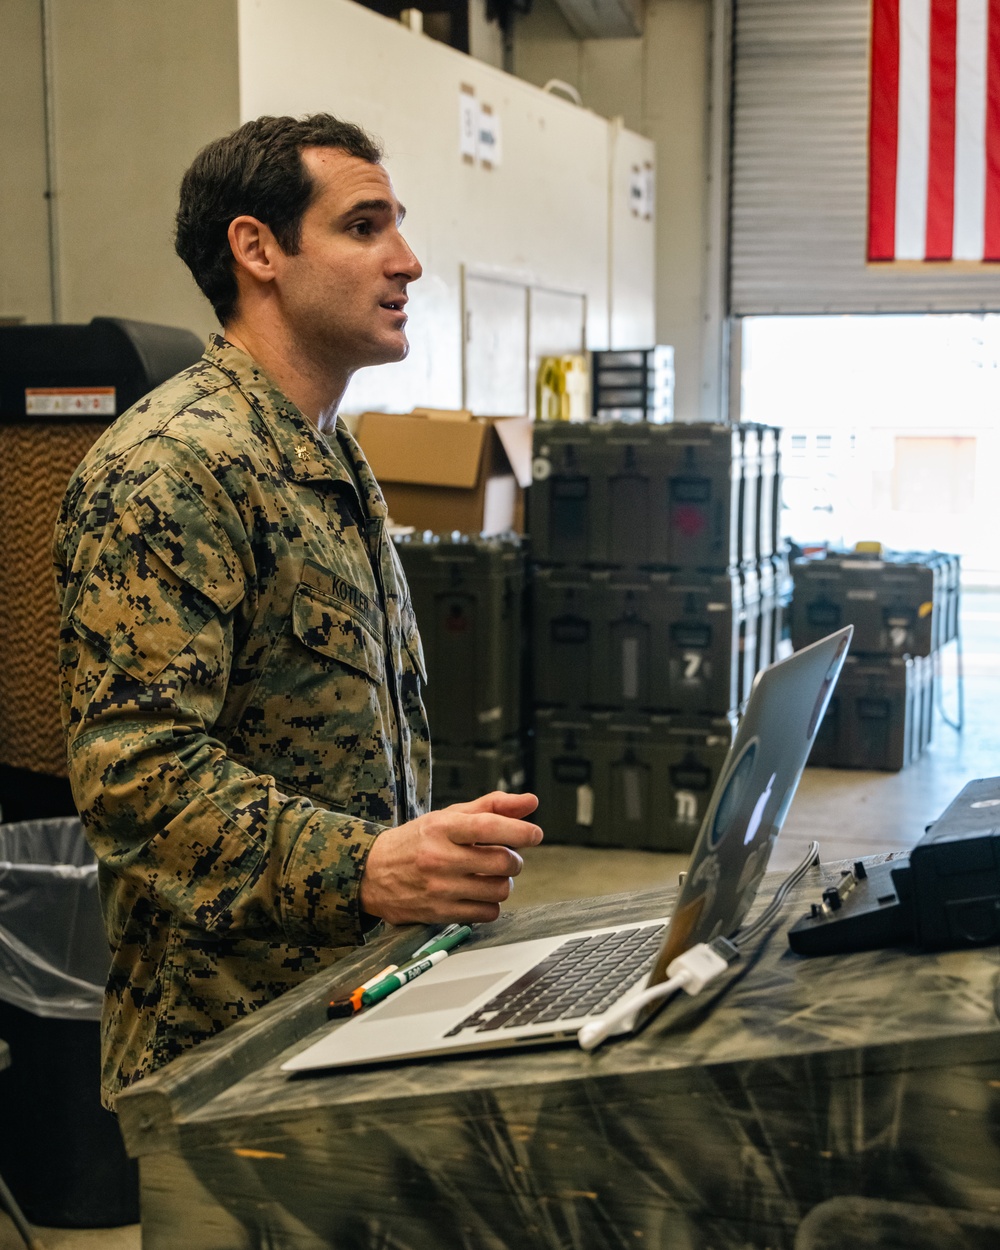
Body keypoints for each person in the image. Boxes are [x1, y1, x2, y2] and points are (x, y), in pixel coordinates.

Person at [53, 113, 542, 1110]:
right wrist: (364, 864)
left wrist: (416, 858)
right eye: (364, 227)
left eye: (397, 225)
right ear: (258, 250)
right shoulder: (176, 464)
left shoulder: (329, 454)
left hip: (341, 1001)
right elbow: (133, 773)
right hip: (224, 1043)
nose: (405, 261)